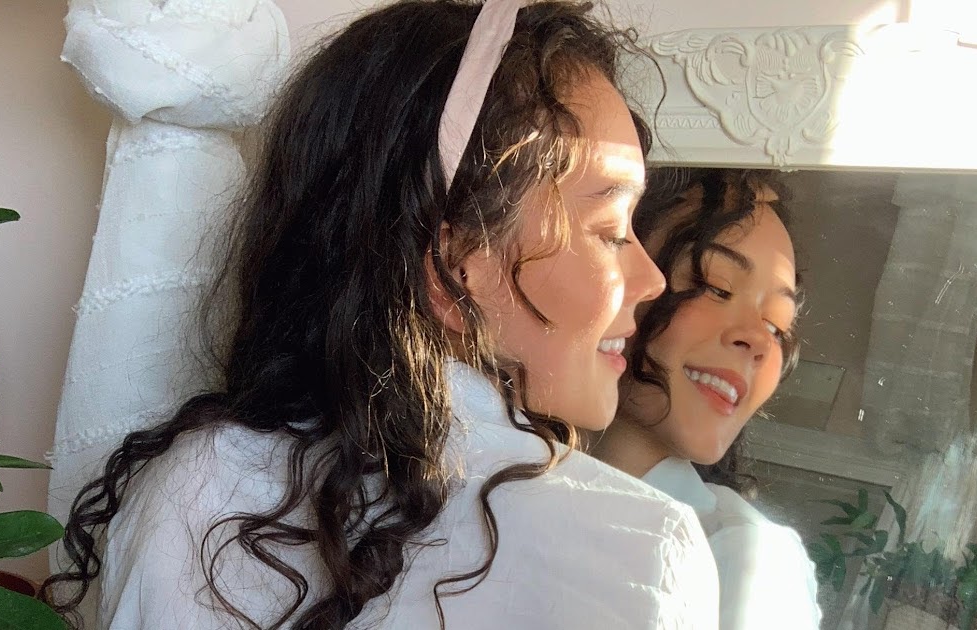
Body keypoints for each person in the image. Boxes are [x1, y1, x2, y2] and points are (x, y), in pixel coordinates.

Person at [42, 2, 720, 629]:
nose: (653, 280)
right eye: (610, 231)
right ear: (455, 263)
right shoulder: (635, 550)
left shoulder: (183, 484)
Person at [591, 168, 822, 630]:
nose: (759, 340)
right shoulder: (477, 480)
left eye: (777, 326)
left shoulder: (746, 560)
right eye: (716, 287)